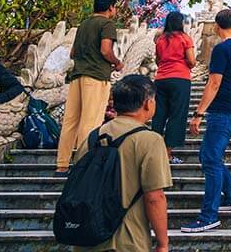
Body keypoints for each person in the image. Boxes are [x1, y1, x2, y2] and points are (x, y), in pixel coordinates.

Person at [73, 74, 170, 252]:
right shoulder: (150, 140)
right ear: (148, 103)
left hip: (86, 237)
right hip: (128, 240)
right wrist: (163, 243)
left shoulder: (92, 137)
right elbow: (155, 197)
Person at [181, 8, 231, 233]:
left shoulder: (222, 49)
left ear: (216, 26)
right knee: (209, 155)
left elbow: (214, 83)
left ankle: (209, 215)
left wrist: (198, 113)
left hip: (221, 110)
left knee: (211, 158)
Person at [56, 0, 124, 175]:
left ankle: (62, 163)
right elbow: (105, 49)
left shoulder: (84, 24)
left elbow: (72, 53)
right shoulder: (107, 24)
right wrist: (117, 62)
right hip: (96, 76)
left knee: (71, 120)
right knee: (91, 120)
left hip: (77, 75)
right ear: (110, 7)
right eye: (114, 7)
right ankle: (82, 163)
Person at [151, 11, 196, 164]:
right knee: (177, 115)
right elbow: (191, 61)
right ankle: (167, 153)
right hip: (180, 79)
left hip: (161, 78)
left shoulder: (161, 39)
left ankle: (154, 149)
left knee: (159, 115)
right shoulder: (185, 38)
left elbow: (158, 60)